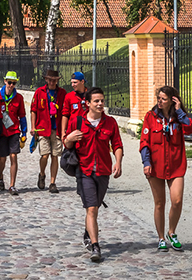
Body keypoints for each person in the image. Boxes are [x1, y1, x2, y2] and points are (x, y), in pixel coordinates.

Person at [64, 87, 123, 262]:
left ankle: (88, 232)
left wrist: (118, 162)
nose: (100, 104)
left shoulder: (110, 122)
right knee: (91, 208)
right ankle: (96, 246)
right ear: (87, 103)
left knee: (94, 209)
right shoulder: (77, 121)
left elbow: (117, 144)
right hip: (85, 170)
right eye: (96, 101)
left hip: (104, 171)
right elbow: (66, 144)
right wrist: (69, 139)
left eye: (102, 101)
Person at [140, 86, 192, 252]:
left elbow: (191, 128)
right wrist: (146, 163)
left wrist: (180, 112)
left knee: (177, 201)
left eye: (163, 99)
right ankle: (161, 237)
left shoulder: (179, 118)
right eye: (159, 98)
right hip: (156, 166)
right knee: (159, 203)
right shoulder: (150, 117)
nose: (159, 101)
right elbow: (144, 142)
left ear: (173, 100)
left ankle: (172, 232)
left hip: (176, 165)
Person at [31, 69, 67, 193]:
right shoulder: (39, 92)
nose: (52, 82)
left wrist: (64, 130)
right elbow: (34, 110)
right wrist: (33, 127)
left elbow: (65, 113)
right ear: (46, 80)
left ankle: (52, 182)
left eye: (54, 80)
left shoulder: (62, 93)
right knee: (45, 155)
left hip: (56, 128)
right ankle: (42, 174)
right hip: (42, 127)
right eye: (50, 80)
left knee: (55, 156)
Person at [0, 71, 27, 195]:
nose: (11, 85)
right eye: (9, 82)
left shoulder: (19, 98)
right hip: (1, 132)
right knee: (2, 158)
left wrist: (24, 131)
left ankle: (12, 185)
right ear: (5, 81)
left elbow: (22, 115)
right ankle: (0, 176)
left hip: (14, 131)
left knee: (13, 156)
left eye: (14, 83)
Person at [61, 71, 89, 139]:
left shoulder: (90, 95)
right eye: (72, 82)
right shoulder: (69, 96)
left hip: (88, 130)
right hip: (73, 131)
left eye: (75, 82)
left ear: (82, 82)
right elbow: (65, 115)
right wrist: (63, 132)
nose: (72, 85)